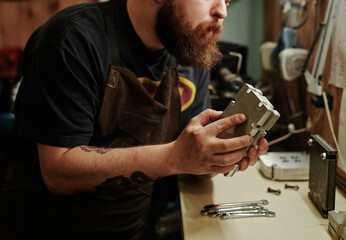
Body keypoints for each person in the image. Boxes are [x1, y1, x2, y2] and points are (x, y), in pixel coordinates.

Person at [0, 0, 269, 239]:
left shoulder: (189, 49)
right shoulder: (72, 39)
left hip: (134, 227)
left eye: (227, 0)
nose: (222, 10)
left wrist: (217, 154)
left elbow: (191, 163)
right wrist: (175, 156)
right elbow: (58, 173)